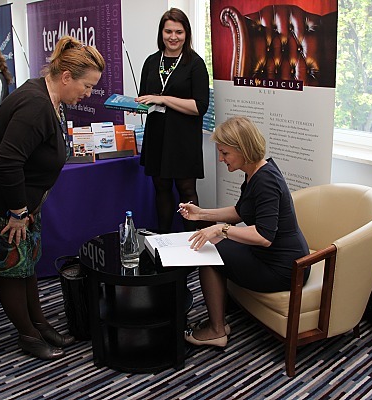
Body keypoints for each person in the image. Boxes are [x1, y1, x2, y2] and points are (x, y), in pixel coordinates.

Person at [0, 36, 105, 360]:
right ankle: (27, 335)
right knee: (13, 270)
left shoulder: (50, 98)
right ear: (66, 76)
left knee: (26, 267)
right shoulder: (35, 105)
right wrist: (16, 212)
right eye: (87, 85)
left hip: (19, 202)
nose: (88, 93)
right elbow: (8, 161)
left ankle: (39, 324)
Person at [178, 116, 310, 348]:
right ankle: (220, 316)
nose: (221, 159)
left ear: (243, 149)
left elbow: (264, 237)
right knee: (214, 245)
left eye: (225, 153)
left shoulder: (266, 181)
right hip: (270, 256)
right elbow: (241, 211)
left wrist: (221, 229)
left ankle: (217, 330)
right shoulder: (256, 172)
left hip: (284, 267)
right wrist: (201, 214)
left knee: (210, 254)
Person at [136, 7, 209, 233]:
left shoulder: (195, 64)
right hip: (157, 135)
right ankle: (163, 239)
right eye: (168, 31)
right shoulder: (151, 61)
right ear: (161, 33)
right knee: (161, 189)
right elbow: (144, 98)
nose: (173, 37)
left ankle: (192, 241)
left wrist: (164, 99)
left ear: (186, 34)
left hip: (183, 138)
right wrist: (135, 105)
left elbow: (199, 107)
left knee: (187, 191)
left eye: (179, 32)